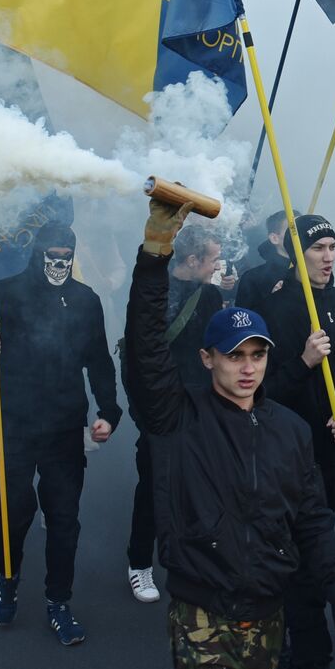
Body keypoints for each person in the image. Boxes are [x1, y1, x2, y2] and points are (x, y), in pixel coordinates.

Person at [124, 199, 335, 669]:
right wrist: (155, 252)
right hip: (204, 613)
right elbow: (146, 348)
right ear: (207, 359)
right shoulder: (180, 418)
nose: (248, 366)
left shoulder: (290, 431)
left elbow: (314, 522)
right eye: (234, 356)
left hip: (267, 611)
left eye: (258, 354)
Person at [0, 223, 120, 645]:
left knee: (64, 519)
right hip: (12, 425)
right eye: (52, 255)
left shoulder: (85, 300)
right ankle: (6, 576)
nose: (59, 263)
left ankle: (59, 602)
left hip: (64, 428)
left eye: (67, 256)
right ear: (38, 254)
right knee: (8, 511)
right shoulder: (3, 293)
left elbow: (99, 360)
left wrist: (108, 410)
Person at [252, 213, 335, 669]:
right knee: (306, 558)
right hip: (295, 456)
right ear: (296, 256)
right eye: (317, 249)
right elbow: (262, 394)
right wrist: (304, 362)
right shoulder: (276, 312)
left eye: (332, 247)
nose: (328, 257)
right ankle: (311, 656)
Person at [123, 224, 226, 604]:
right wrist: (143, 412)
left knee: (202, 486)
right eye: (213, 259)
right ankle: (139, 563)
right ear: (192, 259)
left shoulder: (212, 294)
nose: (217, 266)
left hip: (200, 404)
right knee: (153, 486)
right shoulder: (153, 293)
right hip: (159, 407)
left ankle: (197, 559)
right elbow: (139, 356)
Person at [235, 210, 293, 310]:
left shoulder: (315, 273)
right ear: (274, 238)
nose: (300, 234)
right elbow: (244, 321)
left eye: (303, 229)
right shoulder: (252, 278)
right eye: (292, 230)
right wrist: (272, 299)